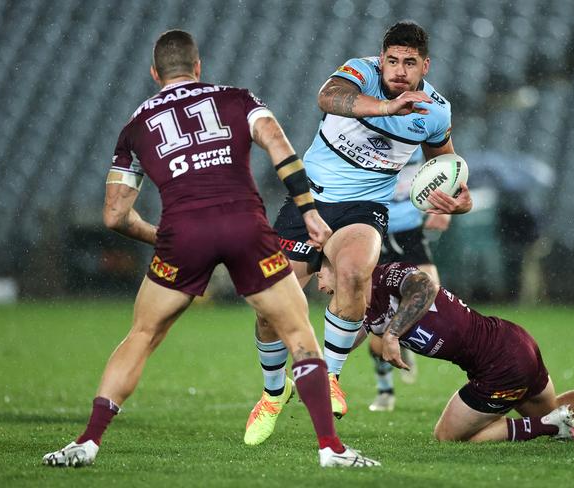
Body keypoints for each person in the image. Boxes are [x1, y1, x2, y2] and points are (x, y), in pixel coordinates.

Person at [42, 29, 379, 468]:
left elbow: (114, 216)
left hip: (184, 231)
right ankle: (330, 448)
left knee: (142, 336)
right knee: (299, 333)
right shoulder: (237, 99)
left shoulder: (136, 126)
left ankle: (87, 442)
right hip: (244, 223)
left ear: (154, 72)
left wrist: (161, 236)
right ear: (198, 67)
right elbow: (280, 148)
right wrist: (308, 210)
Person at [244, 20, 472, 446]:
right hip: (309, 199)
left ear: (426, 65)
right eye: (392, 60)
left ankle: (328, 376)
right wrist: (387, 107)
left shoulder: (436, 110)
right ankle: (274, 392)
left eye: (409, 63)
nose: (399, 70)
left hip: (366, 207)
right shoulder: (359, 72)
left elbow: (446, 163)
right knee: (271, 303)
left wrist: (461, 197)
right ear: (380, 59)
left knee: (353, 272)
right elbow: (327, 97)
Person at [315, 259, 574, 442]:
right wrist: (316, 368)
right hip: (511, 344)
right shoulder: (364, 311)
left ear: (340, 268)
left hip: (499, 364)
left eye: (320, 274)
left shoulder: (387, 275)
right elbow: (340, 344)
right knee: (553, 409)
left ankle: (547, 426)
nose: (319, 286)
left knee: (447, 437)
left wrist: (393, 334)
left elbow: (426, 287)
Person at [368, 150, 451, 412]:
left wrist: (445, 207)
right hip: (372, 229)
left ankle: (401, 338)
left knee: (432, 298)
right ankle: (385, 390)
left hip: (409, 230)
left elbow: (448, 166)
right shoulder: (367, 131)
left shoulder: (419, 133)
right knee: (372, 321)